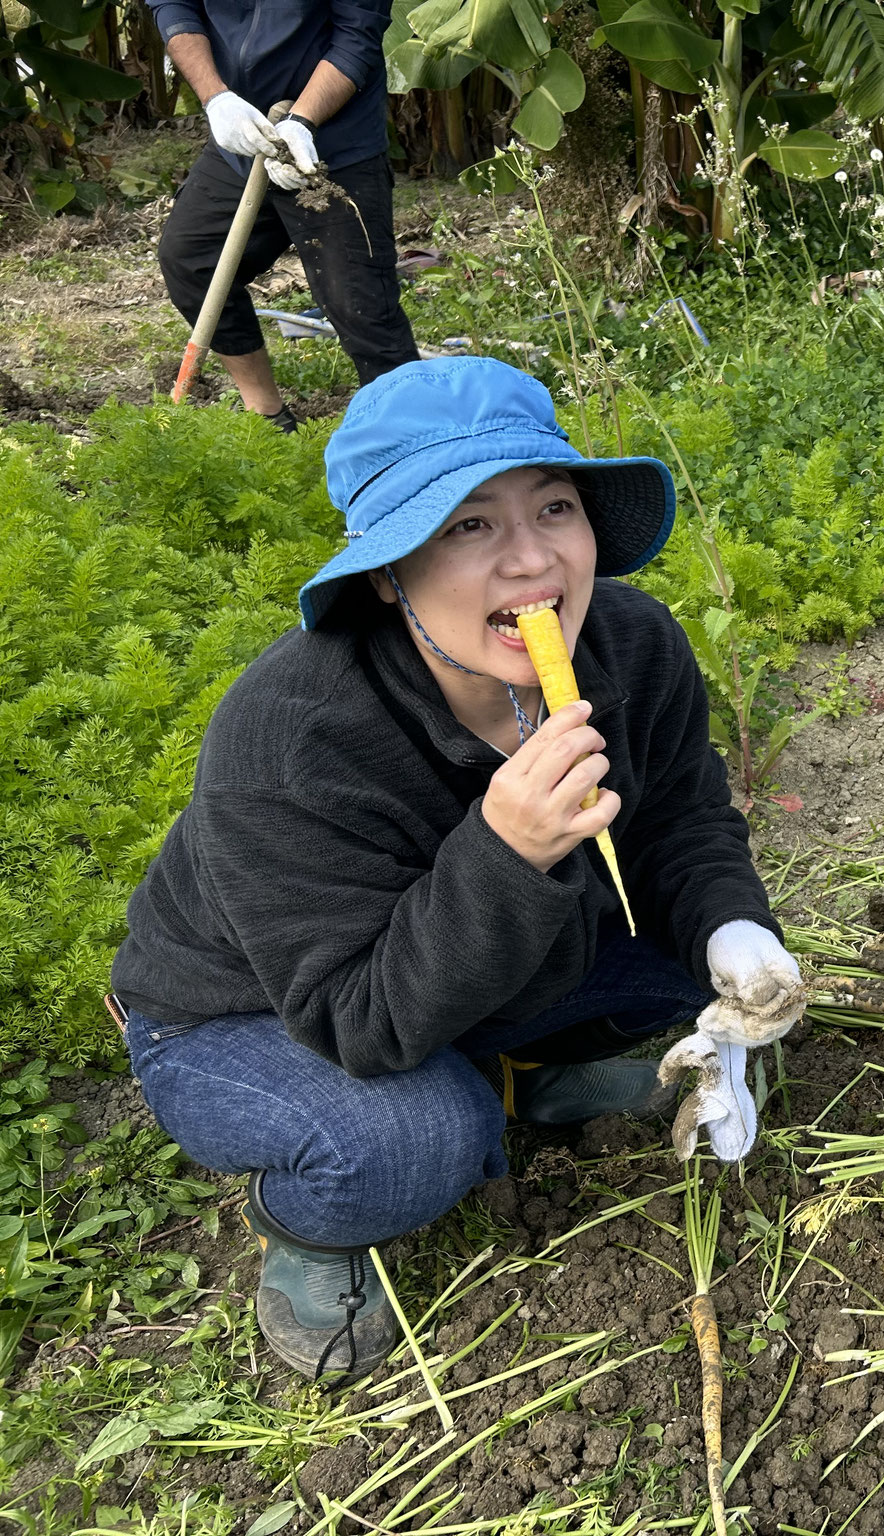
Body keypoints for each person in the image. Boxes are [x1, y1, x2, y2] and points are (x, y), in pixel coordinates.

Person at [110, 357, 803, 1379]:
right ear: (389, 572)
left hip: (442, 962)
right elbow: (357, 1018)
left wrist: (733, 933)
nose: (532, 562)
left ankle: (526, 1077)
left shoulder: (632, 641)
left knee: (683, 961)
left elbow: (683, 823)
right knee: (415, 1140)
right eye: (468, 525)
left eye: (554, 508)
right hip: (251, 1010)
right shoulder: (291, 740)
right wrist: (506, 847)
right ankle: (314, 1224)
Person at [149, 0, 420, 431]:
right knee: (193, 260)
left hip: (334, 147)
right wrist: (218, 99)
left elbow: (356, 37)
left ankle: (416, 439)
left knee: (360, 306)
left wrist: (301, 124)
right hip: (242, 132)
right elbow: (175, 7)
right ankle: (269, 420)